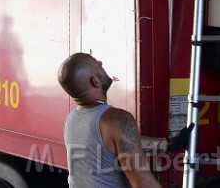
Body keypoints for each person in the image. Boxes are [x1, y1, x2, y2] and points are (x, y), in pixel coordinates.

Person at [57, 53, 161, 188]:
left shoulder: (71, 120)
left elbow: (122, 144)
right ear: (95, 81)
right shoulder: (118, 119)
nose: (101, 63)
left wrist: (169, 143)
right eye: (97, 64)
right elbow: (144, 183)